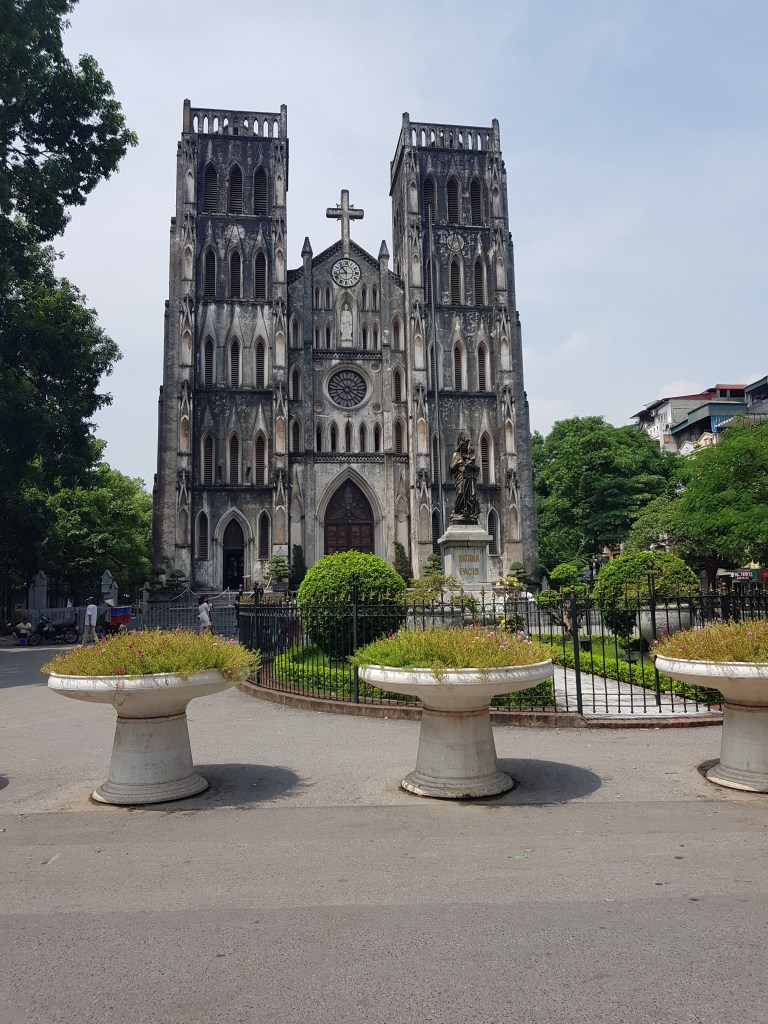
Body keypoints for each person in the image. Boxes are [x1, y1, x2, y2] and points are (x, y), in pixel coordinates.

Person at [450, 431, 480, 524]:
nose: (465, 447)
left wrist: (472, 466)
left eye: (466, 445)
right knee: (460, 492)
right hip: (460, 477)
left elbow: (475, 468)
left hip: (469, 477)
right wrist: (457, 463)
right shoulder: (456, 455)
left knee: (470, 495)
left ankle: (468, 512)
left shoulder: (469, 455)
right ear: (460, 445)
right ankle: (457, 511)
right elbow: (452, 468)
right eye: (463, 445)